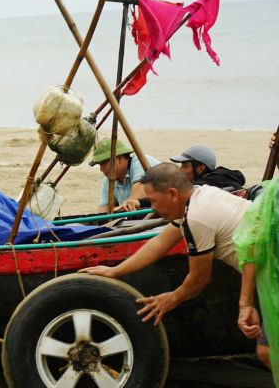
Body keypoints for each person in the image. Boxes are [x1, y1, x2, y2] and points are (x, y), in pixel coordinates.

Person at [80, 163, 251, 326]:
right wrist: (115, 271)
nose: (152, 209)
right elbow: (159, 243)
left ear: (172, 194)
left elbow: (199, 279)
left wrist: (171, 299)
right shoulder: (200, 195)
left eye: (153, 201)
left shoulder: (197, 218)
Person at [234, 179, 277, 374]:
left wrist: (246, 303)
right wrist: (246, 303)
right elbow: (251, 244)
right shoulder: (271, 195)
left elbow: (251, 245)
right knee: (266, 352)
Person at [89, 137, 160, 212]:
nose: (101, 169)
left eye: (103, 164)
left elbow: (134, 200)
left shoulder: (140, 162)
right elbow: (103, 210)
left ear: (119, 159)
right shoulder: (108, 179)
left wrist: (115, 211)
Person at [170, 145, 245, 191]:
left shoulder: (200, 188)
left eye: (185, 166)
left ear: (201, 168)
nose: (180, 170)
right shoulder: (223, 177)